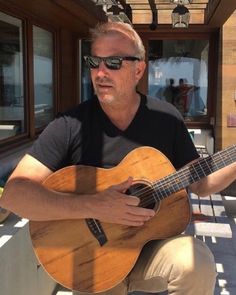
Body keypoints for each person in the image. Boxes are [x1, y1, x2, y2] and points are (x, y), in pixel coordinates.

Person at [0, 21, 236, 295]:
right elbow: (14, 195)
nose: (99, 73)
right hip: (94, 258)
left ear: (139, 69)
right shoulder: (70, 124)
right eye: (93, 61)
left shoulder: (166, 118)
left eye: (113, 62)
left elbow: (200, 182)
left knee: (197, 261)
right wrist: (95, 206)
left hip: (150, 251)